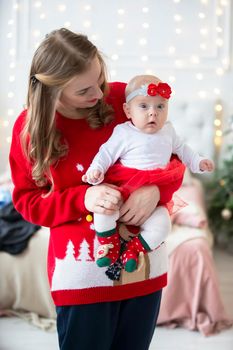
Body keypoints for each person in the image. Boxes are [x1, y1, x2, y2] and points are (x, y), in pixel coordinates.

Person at [9, 28, 185, 350]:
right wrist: (83, 197)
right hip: (81, 273)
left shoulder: (124, 100)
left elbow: (172, 156)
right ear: (52, 92)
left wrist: (156, 190)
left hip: (143, 267)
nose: (99, 94)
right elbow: (28, 202)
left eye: (100, 79)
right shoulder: (29, 130)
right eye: (84, 90)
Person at [82, 74, 215, 273]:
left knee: (163, 226)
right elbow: (106, 153)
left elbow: (184, 151)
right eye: (144, 106)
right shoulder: (124, 132)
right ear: (128, 111)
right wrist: (96, 170)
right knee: (103, 210)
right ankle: (109, 244)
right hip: (124, 187)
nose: (153, 113)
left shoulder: (168, 132)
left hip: (155, 196)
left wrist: (198, 162)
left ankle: (135, 249)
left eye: (160, 107)